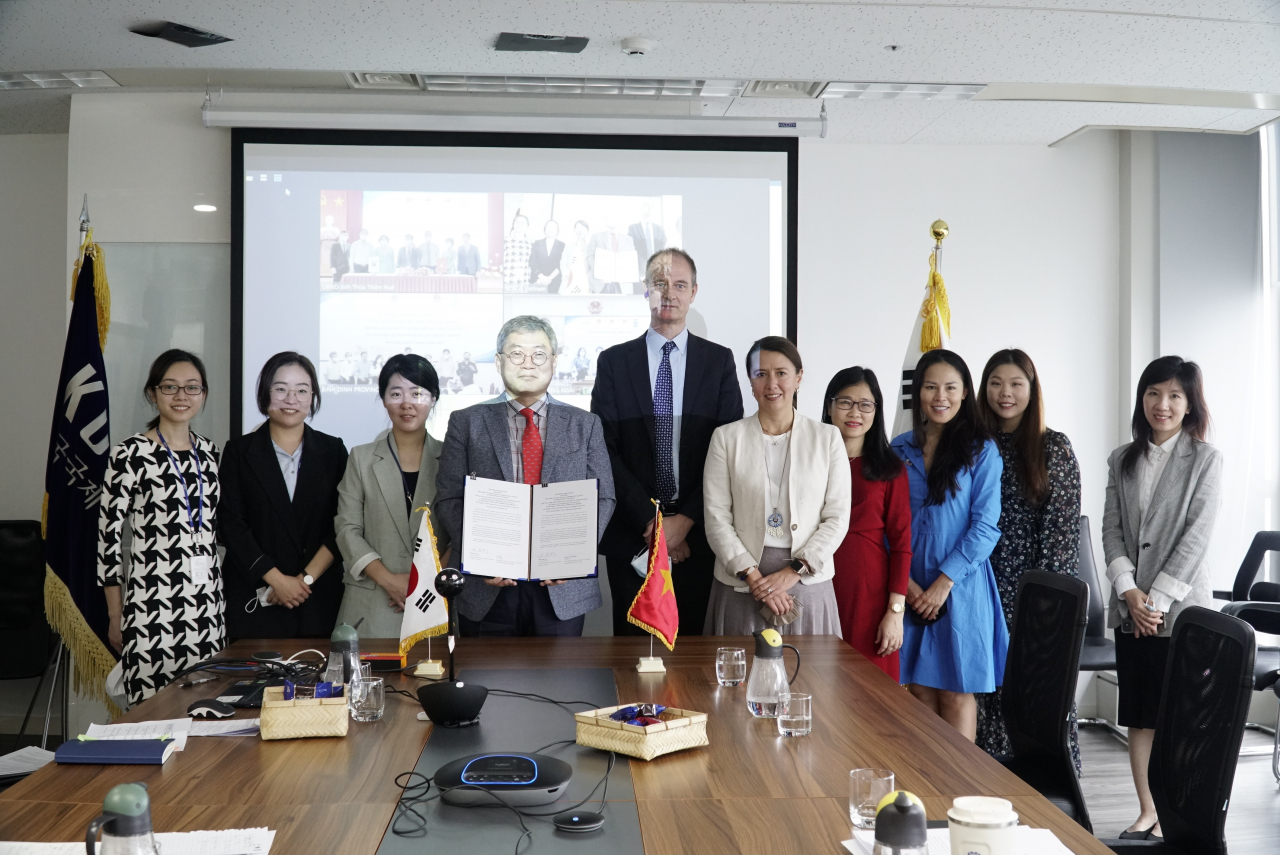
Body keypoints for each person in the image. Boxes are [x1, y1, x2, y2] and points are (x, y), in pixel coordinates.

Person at [591, 249, 743, 637]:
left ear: (694, 291)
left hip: (701, 535)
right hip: (633, 533)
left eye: (679, 285)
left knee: (695, 655)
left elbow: (728, 449)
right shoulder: (614, 362)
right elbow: (603, 450)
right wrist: (654, 524)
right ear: (646, 291)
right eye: (660, 284)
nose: (669, 294)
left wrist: (685, 521)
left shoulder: (719, 362)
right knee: (633, 656)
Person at [435, 316, 616, 637]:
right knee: (486, 683)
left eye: (539, 355)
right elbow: (450, 498)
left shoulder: (585, 424)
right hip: (487, 586)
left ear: (554, 361)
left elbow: (603, 497)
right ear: (498, 361)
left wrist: (572, 557)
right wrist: (482, 557)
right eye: (516, 354)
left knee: (562, 686)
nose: (528, 364)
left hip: (561, 586)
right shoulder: (467, 422)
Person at [1102, 355, 1221, 842]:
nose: (1163, 404)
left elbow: (1197, 537)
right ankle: (1148, 809)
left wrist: (1156, 600)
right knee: (1140, 714)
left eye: (1174, 395)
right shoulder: (1121, 458)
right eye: (1154, 393)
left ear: (1190, 403)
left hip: (1183, 610)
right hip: (1131, 608)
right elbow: (1111, 530)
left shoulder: (1206, 460)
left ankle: (1181, 810)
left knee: (1180, 716)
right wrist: (1129, 591)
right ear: (1142, 398)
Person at [890, 349, 1007, 742]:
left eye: (950, 388)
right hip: (906, 588)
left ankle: (959, 795)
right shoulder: (896, 450)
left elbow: (985, 527)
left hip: (960, 588)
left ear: (964, 393)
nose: (940, 396)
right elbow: (886, 525)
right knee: (919, 690)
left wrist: (942, 584)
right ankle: (927, 791)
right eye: (930, 387)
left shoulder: (981, 450)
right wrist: (906, 585)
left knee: (956, 693)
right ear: (917, 393)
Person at [974, 349, 1082, 767]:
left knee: (1033, 703)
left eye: (1016, 383)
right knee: (984, 699)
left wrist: (1041, 608)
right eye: (996, 382)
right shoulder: (972, 446)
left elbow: (1061, 538)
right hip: (980, 590)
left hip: (1033, 599)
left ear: (1032, 389)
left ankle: (1049, 807)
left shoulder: (1052, 447)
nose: (1005, 393)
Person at [97, 350, 224, 706]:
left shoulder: (211, 455)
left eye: (191, 387)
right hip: (152, 607)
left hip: (206, 608)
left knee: (206, 714)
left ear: (203, 394)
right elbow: (108, 540)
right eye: (170, 387)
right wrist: (115, 614)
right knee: (153, 718)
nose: (181, 396)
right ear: (153, 393)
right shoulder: (129, 454)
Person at [703, 337, 850, 635]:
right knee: (739, 677)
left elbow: (837, 517)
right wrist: (754, 577)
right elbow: (716, 516)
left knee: (811, 680)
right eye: (761, 374)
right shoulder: (726, 438)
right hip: (741, 580)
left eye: (781, 373)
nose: (771, 383)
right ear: (750, 381)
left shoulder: (827, 438)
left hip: (807, 579)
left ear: (798, 377)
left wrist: (792, 573)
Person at [221, 353, 349, 639]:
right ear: (265, 392)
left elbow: (342, 524)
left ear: (312, 396)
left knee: (318, 681)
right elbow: (231, 524)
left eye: (302, 390)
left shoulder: (334, 451)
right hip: (256, 595)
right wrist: (276, 580)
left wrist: (302, 581)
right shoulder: (239, 452)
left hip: (316, 597)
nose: (291, 399)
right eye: (280, 389)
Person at [334, 354, 451, 637]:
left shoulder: (451, 457)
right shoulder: (361, 458)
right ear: (384, 399)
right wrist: (390, 581)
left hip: (433, 597)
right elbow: (347, 529)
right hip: (372, 602)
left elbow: (461, 532)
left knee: (432, 679)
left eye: (417, 393)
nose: (406, 403)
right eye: (396, 393)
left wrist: (423, 580)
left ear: (433, 398)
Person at [823, 366, 911, 680]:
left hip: (868, 593)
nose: (854, 412)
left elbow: (902, 546)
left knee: (870, 695)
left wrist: (895, 612)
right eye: (845, 402)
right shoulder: (809, 461)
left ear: (876, 410)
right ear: (829, 406)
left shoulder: (890, 468)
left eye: (865, 404)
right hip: (814, 585)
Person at [586, 221, 637, 294]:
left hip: (622, 284)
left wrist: (625, 276)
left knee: (621, 305)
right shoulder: (596, 236)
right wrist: (600, 273)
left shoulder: (628, 239)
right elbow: (590, 256)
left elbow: (632, 261)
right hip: (600, 283)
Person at [628, 203, 666, 281]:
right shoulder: (633, 228)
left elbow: (663, 248)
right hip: (639, 268)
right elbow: (630, 249)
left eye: (652, 206)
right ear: (641, 209)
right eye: (646, 205)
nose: (649, 208)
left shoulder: (659, 229)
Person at [529, 220, 565, 293]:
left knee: (552, 303)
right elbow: (532, 261)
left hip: (554, 282)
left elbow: (561, 264)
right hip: (537, 280)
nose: (550, 229)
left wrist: (549, 278)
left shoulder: (562, 245)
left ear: (557, 231)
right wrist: (542, 277)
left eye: (553, 227)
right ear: (545, 230)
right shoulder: (537, 243)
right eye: (548, 227)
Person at [502, 214, 533, 293]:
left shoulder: (531, 244)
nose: (520, 224)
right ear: (513, 224)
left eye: (523, 223)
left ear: (527, 226)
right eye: (517, 222)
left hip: (524, 283)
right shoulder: (505, 240)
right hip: (506, 282)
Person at [560, 220, 591, 295]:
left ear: (587, 231)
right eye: (577, 228)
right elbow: (563, 262)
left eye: (583, 228)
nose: (580, 230)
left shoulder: (591, 247)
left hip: (584, 283)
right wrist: (568, 274)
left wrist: (585, 277)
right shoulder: (568, 246)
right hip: (569, 282)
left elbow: (592, 266)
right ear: (574, 231)